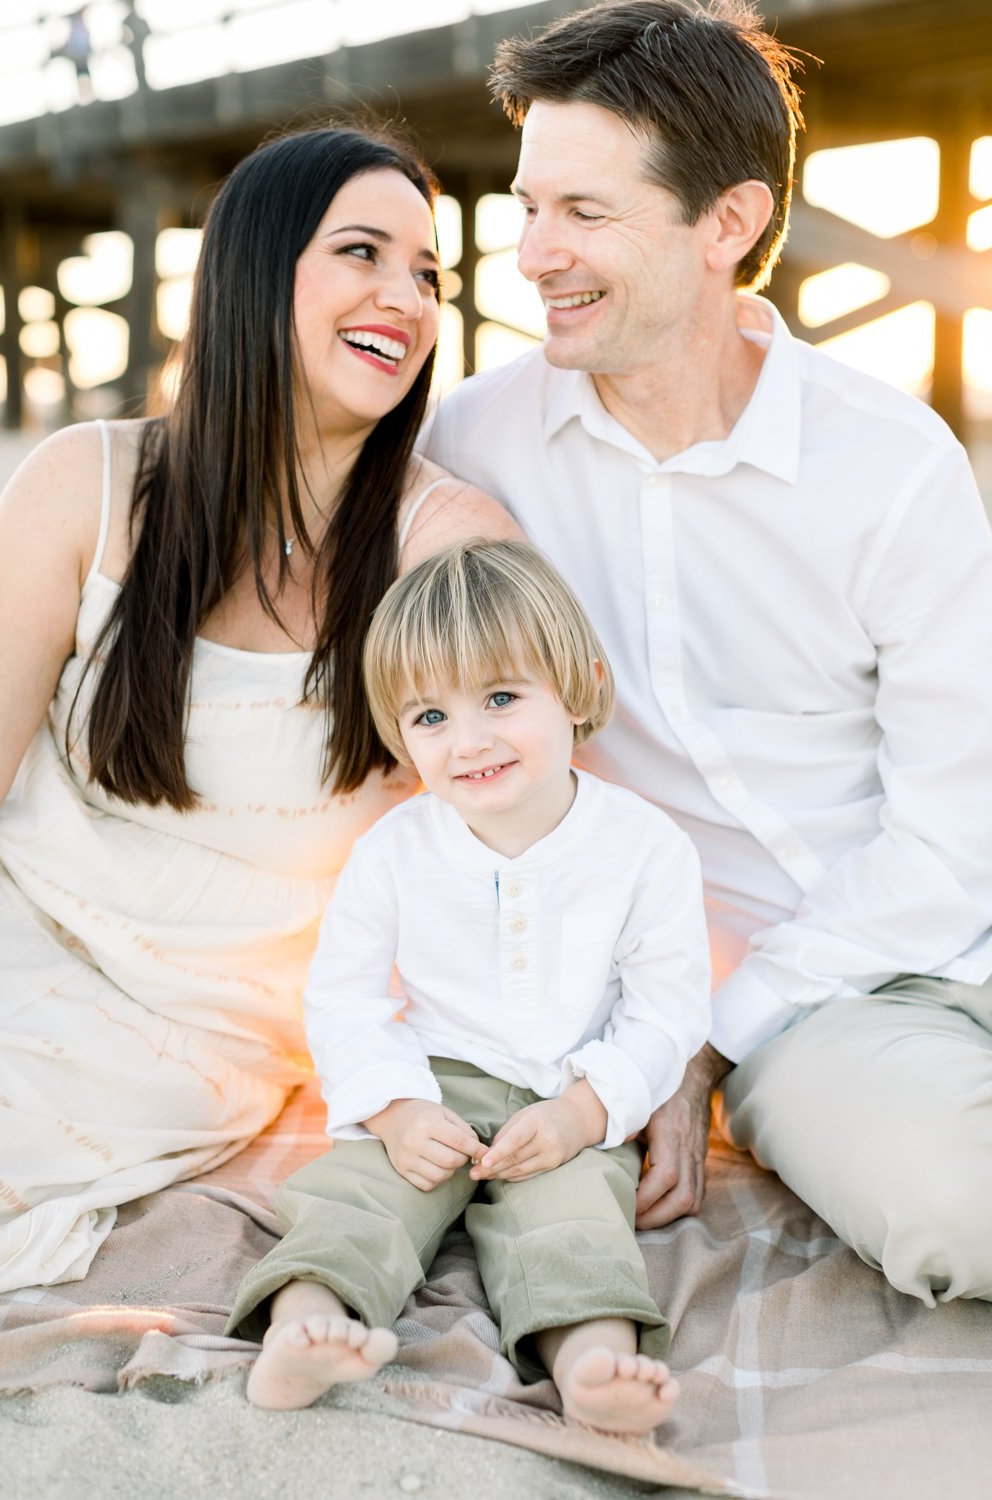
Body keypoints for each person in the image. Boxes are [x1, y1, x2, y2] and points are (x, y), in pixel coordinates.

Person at [424, 0, 992, 1304]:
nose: (531, 254)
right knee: (966, 1208)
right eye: (524, 209)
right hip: (813, 1008)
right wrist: (695, 1040)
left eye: (583, 213)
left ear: (726, 223)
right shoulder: (474, 451)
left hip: (950, 900)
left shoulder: (888, 461)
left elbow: (955, 837)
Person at [0, 125, 517, 1297]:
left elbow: (529, 827)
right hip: (14, 926)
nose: (409, 299)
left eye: (429, 275)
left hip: (189, 1030)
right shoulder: (85, 483)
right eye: (365, 254)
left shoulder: (442, 547)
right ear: (253, 272)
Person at [226, 538, 710, 1428]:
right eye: (430, 717)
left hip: (569, 1090)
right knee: (360, 1197)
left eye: (499, 698)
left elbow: (668, 1010)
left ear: (578, 685)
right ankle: (304, 1334)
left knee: (576, 1224)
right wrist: (396, 1109)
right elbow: (346, 1000)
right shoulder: (395, 851)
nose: (470, 740)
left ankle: (594, 1366)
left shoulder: (645, 848)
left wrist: (586, 1112)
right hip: (432, 1079)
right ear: (399, 732)